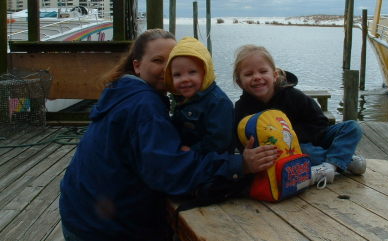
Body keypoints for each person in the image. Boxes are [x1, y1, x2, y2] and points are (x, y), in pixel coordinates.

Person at [59, 30, 279, 241]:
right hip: (106, 230)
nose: (166, 69)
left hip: (80, 213)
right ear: (137, 65)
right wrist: (240, 165)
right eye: (157, 61)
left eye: (171, 61)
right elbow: (171, 173)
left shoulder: (121, 91)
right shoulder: (144, 106)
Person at [232, 44, 366, 188]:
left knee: (353, 127)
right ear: (240, 82)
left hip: (316, 137)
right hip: (287, 150)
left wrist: (292, 135)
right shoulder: (242, 108)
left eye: (263, 71)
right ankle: (344, 160)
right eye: (249, 74)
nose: (257, 77)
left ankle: (330, 166)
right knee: (304, 151)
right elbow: (241, 139)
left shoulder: (293, 95)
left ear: (275, 75)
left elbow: (320, 122)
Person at [164, 37, 234, 154]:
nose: (184, 79)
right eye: (177, 75)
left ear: (205, 73)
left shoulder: (219, 103)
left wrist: (192, 151)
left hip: (213, 166)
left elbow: (219, 141)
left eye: (192, 72)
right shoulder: (184, 99)